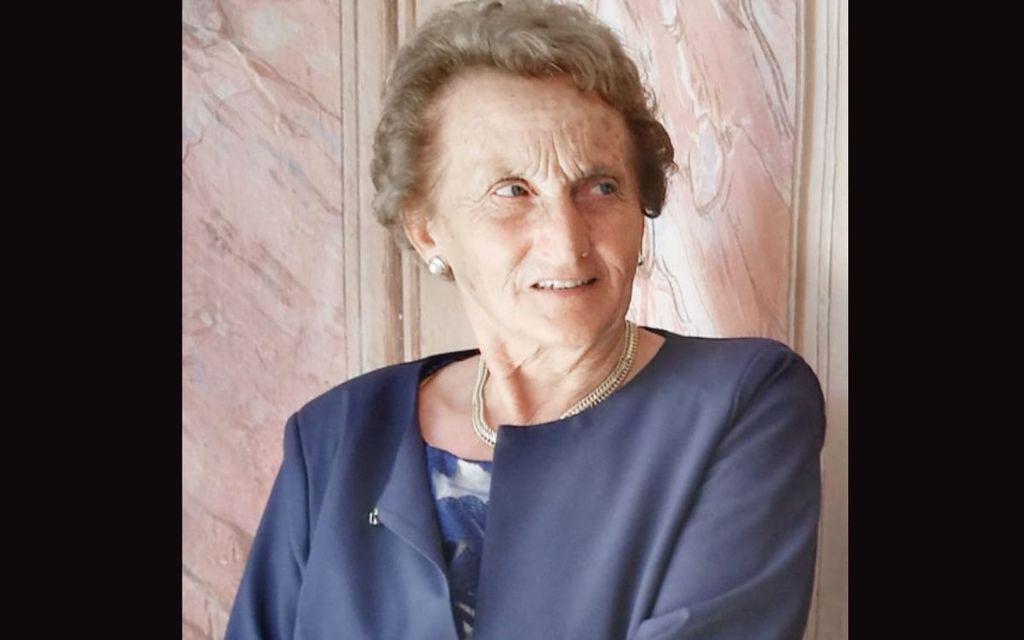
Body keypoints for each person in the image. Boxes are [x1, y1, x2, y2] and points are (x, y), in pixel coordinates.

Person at [224, 1, 826, 638]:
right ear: (426, 229)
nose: (567, 244)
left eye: (600, 186)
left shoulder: (740, 403)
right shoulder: (336, 436)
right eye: (512, 191)